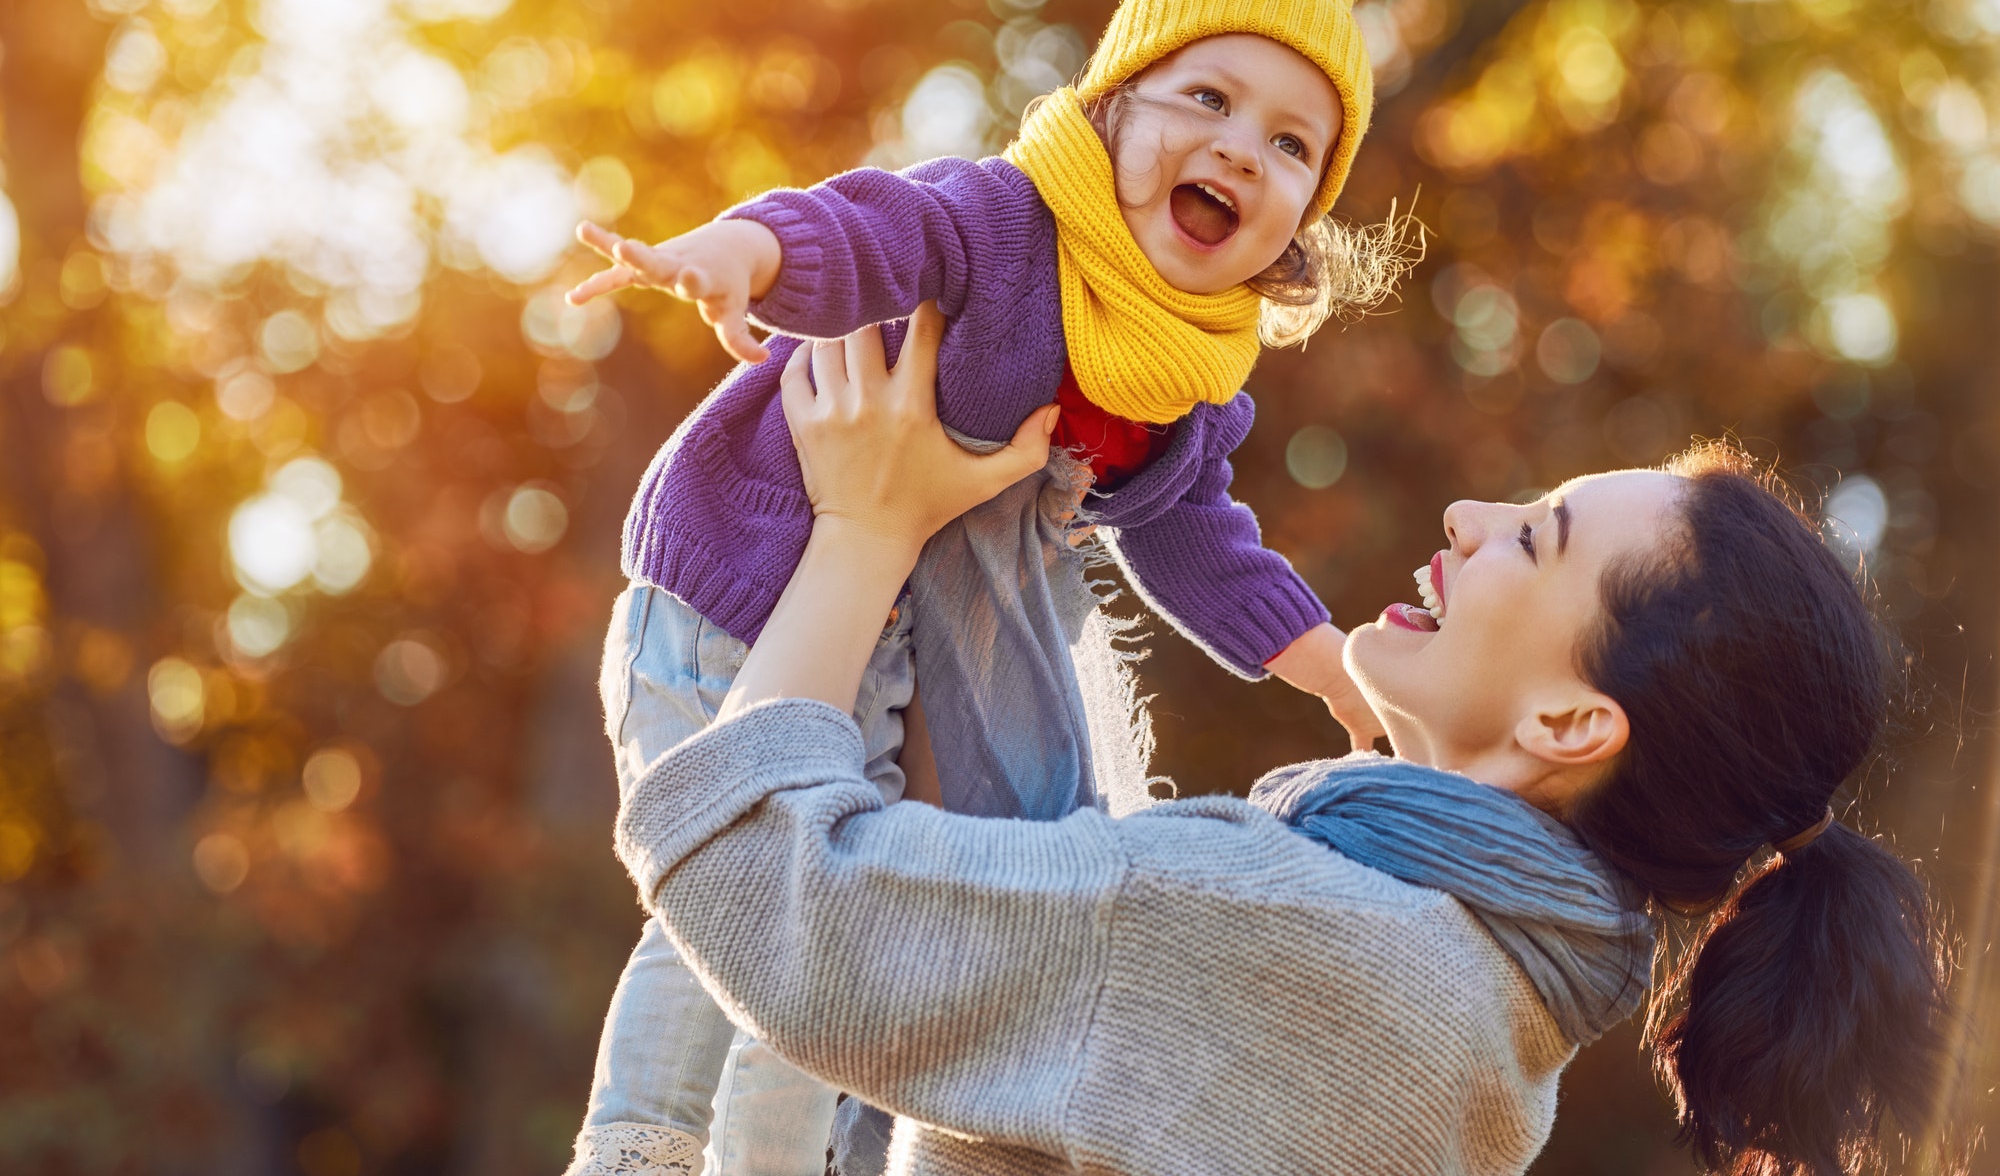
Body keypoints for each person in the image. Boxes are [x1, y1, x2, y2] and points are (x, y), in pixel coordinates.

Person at [612, 307, 1956, 1176]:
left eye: (1533, 535)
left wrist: (862, 527)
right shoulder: (1486, 1011)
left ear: (1569, 721)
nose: (1470, 511)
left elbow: (757, 880)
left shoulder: (1314, 937)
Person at [563, 0, 1412, 1175]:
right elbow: (862, 229)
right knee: (737, 878)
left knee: (827, 937)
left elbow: (1193, 532)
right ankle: (644, 1147)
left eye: (1293, 145)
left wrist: (1319, 660)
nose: (1242, 148)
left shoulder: (1185, 379)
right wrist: (742, 251)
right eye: (1206, 100)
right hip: (740, 590)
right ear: (1112, 106)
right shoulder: (1002, 223)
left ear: (1299, 216)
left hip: (886, 647)